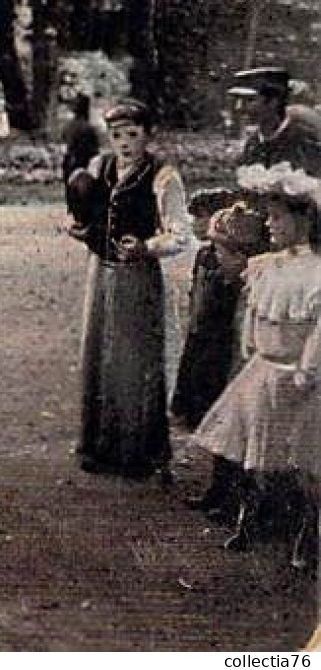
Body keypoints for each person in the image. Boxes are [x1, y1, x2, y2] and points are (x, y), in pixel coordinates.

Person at [194, 163, 321, 555]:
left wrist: (308, 367)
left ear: (303, 221)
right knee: (255, 454)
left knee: (301, 461)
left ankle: (306, 531)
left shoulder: (316, 272)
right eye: (269, 216)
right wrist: (251, 345)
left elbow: (318, 329)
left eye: (278, 217)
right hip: (263, 370)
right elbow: (253, 310)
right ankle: (250, 518)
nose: (269, 223)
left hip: (297, 375)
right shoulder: (267, 267)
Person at [67, 99, 190, 481]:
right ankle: (99, 447)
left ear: (147, 135)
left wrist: (147, 247)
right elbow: (87, 213)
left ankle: (138, 452)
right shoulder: (100, 167)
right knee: (99, 354)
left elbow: (181, 234)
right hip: (101, 271)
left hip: (136, 277)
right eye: (116, 135)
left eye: (133, 135)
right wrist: (81, 229)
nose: (123, 143)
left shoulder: (163, 175)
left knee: (133, 362)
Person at [171, 190, 267, 431]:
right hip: (201, 322)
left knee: (212, 370)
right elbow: (197, 289)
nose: (195, 225)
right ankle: (190, 411)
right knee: (195, 364)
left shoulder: (232, 263)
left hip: (217, 327)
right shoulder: (205, 254)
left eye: (199, 218)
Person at [231, 67, 321, 174]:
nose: (239, 107)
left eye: (249, 100)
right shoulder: (253, 144)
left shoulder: (304, 141)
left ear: (273, 102)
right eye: (237, 100)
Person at [60, 93, 101, 214]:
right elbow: (94, 148)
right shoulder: (89, 128)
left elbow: (65, 143)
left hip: (70, 159)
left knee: (70, 186)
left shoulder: (68, 126)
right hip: (86, 160)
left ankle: (72, 208)